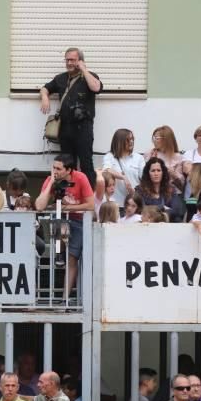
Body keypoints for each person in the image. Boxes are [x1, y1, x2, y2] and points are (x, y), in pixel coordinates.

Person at [40, 47, 103, 186]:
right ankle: (70, 196)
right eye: (67, 60)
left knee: (86, 164)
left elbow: (96, 88)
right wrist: (45, 97)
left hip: (83, 128)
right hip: (65, 128)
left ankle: (90, 198)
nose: (69, 63)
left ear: (80, 61)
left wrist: (84, 70)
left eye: (72, 60)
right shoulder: (61, 78)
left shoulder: (90, 76)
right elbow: (45, 88)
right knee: (67, 166)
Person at [35, 153, 94, 299]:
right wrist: (50, 183)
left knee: (72, 259)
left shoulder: (80, 178)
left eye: (58, 169)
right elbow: (39, 206)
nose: (55, 171)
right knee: (60, 223)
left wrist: (67, 208)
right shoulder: (52, 179)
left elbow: (91, 205)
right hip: (61, 221)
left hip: (80, 221)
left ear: (69, 170)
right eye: (53, 167)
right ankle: (58, 252)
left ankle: (64, 299)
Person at [102, 129, 145, 206]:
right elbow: (106, 170)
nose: (131, 142)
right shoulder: (110, 156)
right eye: (128, 140)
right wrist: (123, 177)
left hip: (133, 204)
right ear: (119, 141)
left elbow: (145, 178)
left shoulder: (139, 158)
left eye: (132, 139)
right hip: (115, 203)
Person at [135, 157, 185, 223]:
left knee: (177, 219)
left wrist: (154, 210)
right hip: (148, 225)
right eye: (153, 171)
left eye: (158, 170)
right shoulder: (140, 190)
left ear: (163, 172)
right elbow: (143, 211)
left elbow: (177, 210)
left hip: (168, 225)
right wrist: (163, 207)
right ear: (148, 173)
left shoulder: (171, 189)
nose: (156, 174)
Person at [145, 125, 184, 191]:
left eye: (156, 138)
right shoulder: (149, 154)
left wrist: (173, 174)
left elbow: (182, 184)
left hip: (172, 194)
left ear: (166, 139)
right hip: (152, 192)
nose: (154, 141)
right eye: (154, 138)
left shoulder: (177, 157)